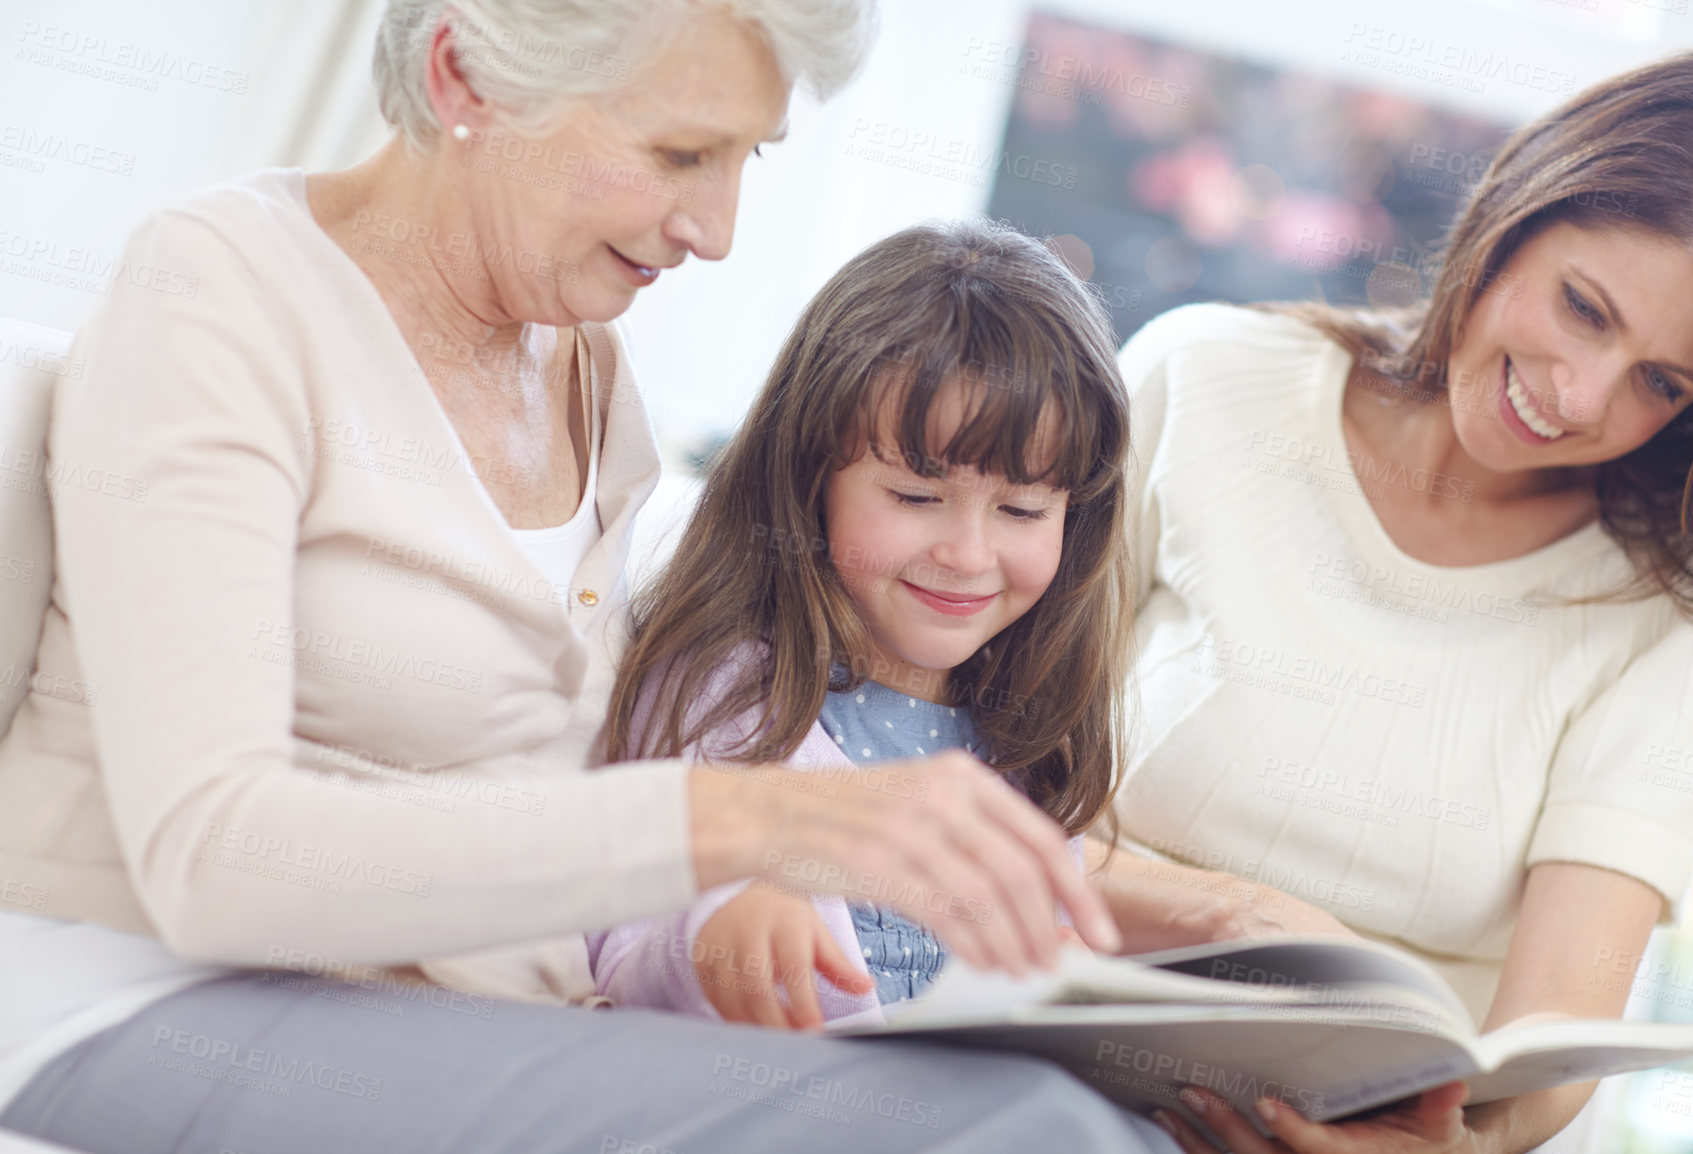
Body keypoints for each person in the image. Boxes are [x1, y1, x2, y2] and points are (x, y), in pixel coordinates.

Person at [0, 3, 1167, 1152]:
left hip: (482, 1016)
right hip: (144, 994)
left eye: (745, 158)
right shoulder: (218, 294)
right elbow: (214, 860)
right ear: (464, 78)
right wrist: (750, 821)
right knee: (1018, 1130)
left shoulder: (586, 371)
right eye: (680, 153)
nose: (716, 228)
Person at [1093, 47, 1693, 1154]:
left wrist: (1467, 1145)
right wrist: (1224, 913)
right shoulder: (1200, 383)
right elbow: (988, 799)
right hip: (1079, 1077)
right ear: (1512, 214)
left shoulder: (1673, 601)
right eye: (1583, 308)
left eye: (1659, 383)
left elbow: (1554, 1029)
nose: (1581, 396)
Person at [588, 218, 1134, 1028]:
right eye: (916, 497)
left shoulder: (1026, 737)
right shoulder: (723, 691)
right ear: (810, 478)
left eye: (1023, 508)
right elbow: (618, 945)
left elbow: (1044, 966)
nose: (968, 553)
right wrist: (713, 934)